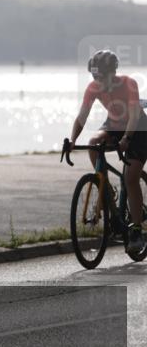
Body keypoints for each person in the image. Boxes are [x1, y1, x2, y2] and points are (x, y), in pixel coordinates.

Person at [65, 49, 147, 254]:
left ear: (113, 72)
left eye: (101, 76)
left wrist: (127, 139)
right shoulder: (93, 87)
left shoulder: (129, 83)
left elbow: (134, 117)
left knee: (130, 178)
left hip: (137, 127)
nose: (98, 80)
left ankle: (136, 230)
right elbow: (82, 117)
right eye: (95, 76)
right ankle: (106, 188)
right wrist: (73, 140)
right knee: (93, 143)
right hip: (113, 124)